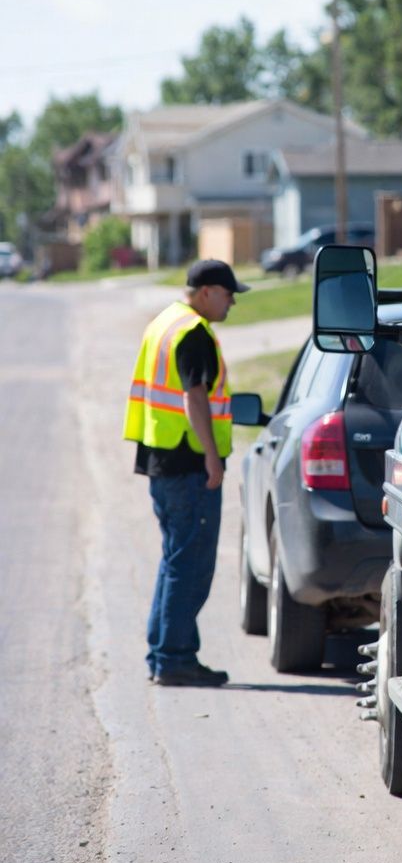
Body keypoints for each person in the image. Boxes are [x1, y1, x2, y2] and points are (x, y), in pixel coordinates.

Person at [123, 259, 250, 687]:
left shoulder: (165, 322)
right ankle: (175, 658)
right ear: (208, 291)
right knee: (190, 565)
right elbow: (194, 398)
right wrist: (212, 458)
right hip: (189, 464)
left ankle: (163, 654)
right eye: (229, 295)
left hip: (163, 462)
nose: (232, 303)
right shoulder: (193, 332)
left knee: (176, 561)